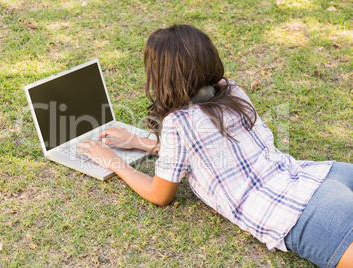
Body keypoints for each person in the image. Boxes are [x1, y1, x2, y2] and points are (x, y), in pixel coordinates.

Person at [76, 25, 353, 268]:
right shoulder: (230, 90)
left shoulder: (178, 122)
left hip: (300, 212)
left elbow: (160, 195)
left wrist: (113, 161)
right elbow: (207, 152)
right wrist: (138, 142)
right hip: (319, 177)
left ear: (162, 77)